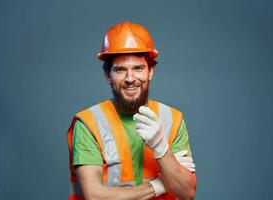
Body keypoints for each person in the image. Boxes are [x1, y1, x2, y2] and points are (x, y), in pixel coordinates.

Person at [67, 21, 197, 200]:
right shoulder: (89, 123)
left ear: (150, 71)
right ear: (108, 75)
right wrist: (158, 185)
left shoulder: (172, 120)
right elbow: (95, 197)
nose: (130, 78)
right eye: (120, 70)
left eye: (138, 68)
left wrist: (161, 148)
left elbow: (186, 193)